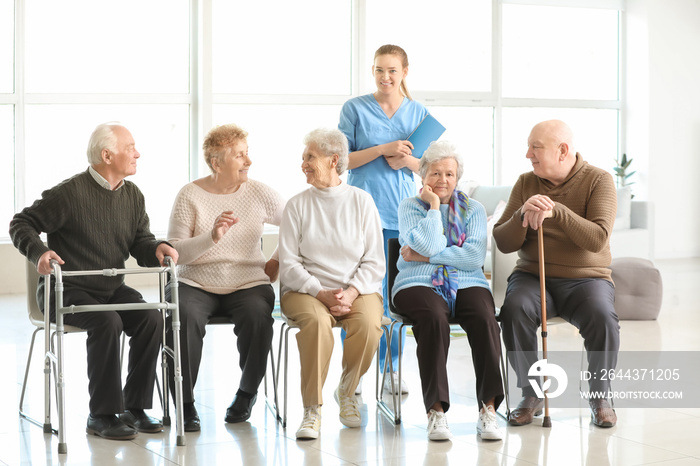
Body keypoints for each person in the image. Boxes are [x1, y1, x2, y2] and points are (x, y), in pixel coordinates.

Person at [9, 122, 178, 440]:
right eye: (130, 148)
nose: (137, 154)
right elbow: (22, 223)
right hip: (66, 289)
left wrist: (156, 247)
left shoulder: (133, 196)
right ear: (107, 155)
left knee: (151, 318)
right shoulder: (70, 193)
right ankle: (101, 415)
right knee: (108, 322)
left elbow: (139, 242)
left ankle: (135, 407)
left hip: (110, 287)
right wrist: (40, 253)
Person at [493, 119, 619, 428]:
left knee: (603, 317)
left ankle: (600, 394)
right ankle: (532, 393)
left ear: (562, 151)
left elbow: (597, 238)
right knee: (514, 309)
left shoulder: (599, 180)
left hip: (586, 278)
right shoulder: (525, 182)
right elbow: (503, 242)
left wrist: (557, 211)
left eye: (535, 148)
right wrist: (522, 214)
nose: (528, 155)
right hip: (533, 276)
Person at [166, 123, 285, 431]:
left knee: (259, 315)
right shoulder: (189, 195)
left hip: (247, 282)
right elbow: (175, 253)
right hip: (195, 281)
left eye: (247, 154)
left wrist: (275, 261)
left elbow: (299, 224)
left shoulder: (258, 191)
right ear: (216, 162)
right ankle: (185, 403)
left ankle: (246, 395)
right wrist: (212, 237)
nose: (248, 161)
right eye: (239, 155)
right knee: (184, 316)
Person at [393, 141, 504, 441]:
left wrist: (427, 256)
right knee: (432, 317)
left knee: (484, 317)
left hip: (468, 280)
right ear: (423, 175)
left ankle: (489, 409)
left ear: (458, 177)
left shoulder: (475, 209)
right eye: (436, 173)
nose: (443, 180)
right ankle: (436, 411)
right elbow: (430, 243)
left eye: (450, 174)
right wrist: (432, 209)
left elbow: (473, 258)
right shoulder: (409, 207)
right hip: (416, 282)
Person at [278, 128, 384, 440]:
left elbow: (375, 260)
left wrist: (351, 292)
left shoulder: (361, 201)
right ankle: (312, 409)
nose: (303, 163)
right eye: (303, 157)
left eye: (310, 157)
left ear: (333, 160)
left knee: (368, 323)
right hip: (305, 290)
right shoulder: (297, 205)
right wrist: (320, 292)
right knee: (316, 323)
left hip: (356, 288)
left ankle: (347, 391)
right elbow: (289, 263)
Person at [338, 44, 430, 395]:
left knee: (393, 297)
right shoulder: (355, 109)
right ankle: (355, 372)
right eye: (379, 70)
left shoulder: (418, 113)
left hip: (399, 215)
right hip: (358, 214)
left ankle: (390, 369)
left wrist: (404, 161)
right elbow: (342, 161)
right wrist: (382, 149)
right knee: (357, 295)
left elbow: (428, 168)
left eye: (392, 70)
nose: (385, 77)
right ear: (372, 71)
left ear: (405, 72)